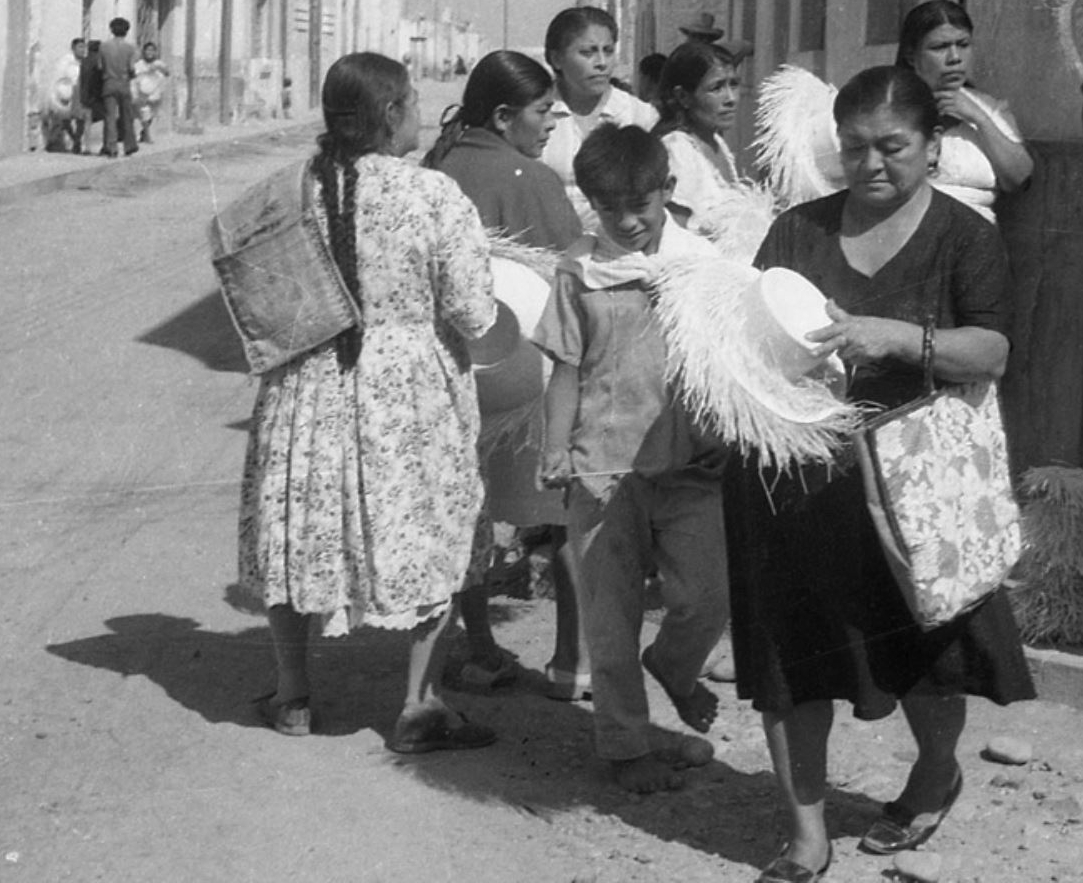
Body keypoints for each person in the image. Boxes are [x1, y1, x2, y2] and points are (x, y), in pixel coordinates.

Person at [727, 67, 1035, 883]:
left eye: (892, 147)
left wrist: (900, 337)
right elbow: (748, 332)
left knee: (930, 654)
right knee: (794, 663)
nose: (871, 165)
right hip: (796, 482)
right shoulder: (796, 232)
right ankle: (805, 836)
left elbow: (993, 352)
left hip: (916, 485)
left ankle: (935, 775)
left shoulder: (965, 239)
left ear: (933, 148)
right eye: (854, 148)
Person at [236, 51, 499, 753]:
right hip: (407, 392)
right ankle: (417, 706)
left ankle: (293, 696)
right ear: (389, 115)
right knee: (431, 528)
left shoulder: (289, 189)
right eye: (412, 101)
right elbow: (474, 313)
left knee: (297, 531)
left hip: (306, 383)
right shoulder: (434, 196)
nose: (419, 112)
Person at [534, 125, 730, 793]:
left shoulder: (700, 267)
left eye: (640, 206)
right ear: (588, 200)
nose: (626, 221)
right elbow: (565, 368)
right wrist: (556, 448)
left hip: (692, 464)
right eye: (608, 207)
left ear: (667, 191)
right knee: (610, 616)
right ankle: (623, 746)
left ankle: (675, 665)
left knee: (708, 594)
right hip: (603, 468)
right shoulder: (578, 273)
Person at [426, 50, 588, 699]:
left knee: (470, 511)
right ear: (503, 115)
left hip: (455, 373)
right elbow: (574, 271)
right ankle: (570, 661)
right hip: (532, 375)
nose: (552, 122)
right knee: (564, 514)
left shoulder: (438, 164)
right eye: (543, 110)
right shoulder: (533, 178)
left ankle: (479, 648)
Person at [895, 0, 1032, 222]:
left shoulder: (989, 109)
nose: (955, 58)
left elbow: (1019, 179)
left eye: (963, 44)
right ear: (911, 56)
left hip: (976, 238)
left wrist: (980, 119)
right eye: (940, 47)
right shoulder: (890, 107)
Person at [539, 6, 659, 224]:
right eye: (588, 52)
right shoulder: (537, 114)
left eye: (609, 50)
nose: (602, 62)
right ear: (556, 59)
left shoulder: (639, 116)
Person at [656, 40, 745, 236]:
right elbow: (676, 233)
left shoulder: (716, 143)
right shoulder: (678, 150)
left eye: (734, 84)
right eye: (717, 88)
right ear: (683, 97)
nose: (731, 99)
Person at [96, 17, 140, 158]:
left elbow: (99, 66)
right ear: (127, 31)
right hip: (124, 83)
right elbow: (132, 68)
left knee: (110, 117)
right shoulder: (130, 48)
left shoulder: (104, 46)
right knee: (127, 116)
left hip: (108, 83)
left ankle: (111, 147)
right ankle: (129, 146)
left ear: (112, 30)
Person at [46, 38, 87, 153]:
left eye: (84, 47)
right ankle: (67, 141)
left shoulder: (83, 62)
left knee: (80, 120)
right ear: (73, 48)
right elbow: (59, 78)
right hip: (67, 93)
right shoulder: (66, 62)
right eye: (80, 47)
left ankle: (76, 141)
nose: (83, 50)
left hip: (79, 93)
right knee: (64, 120)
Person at [131, 41, 170, 145]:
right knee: (144, 114)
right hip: (142, 93)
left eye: (152, 50)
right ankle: (147, 136)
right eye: (148, 50)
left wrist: (159, 68)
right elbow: (135, 78)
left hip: (155, 93)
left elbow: (167, 73)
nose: (150, 52)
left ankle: (145, 133)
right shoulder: (139, 64)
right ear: (144, 52)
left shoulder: (159, 63)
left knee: (150, 116)